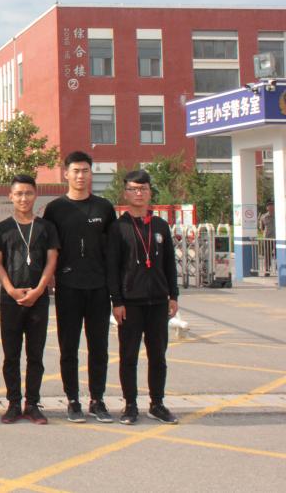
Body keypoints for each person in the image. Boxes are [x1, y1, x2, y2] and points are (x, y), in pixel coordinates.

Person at [43, 151, 117, 423]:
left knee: (99, 347)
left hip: (98, 287)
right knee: (69, 347)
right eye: (75, 171)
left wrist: (115, 290)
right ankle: (73, 400)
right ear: (66, 174)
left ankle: (97, 400)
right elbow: (49, 249)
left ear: (91, 173)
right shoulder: (55, 209)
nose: (80, 175)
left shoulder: (104, 208)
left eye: (85, 170)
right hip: (68, 287)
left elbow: (112, 252)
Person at [107, 169, 180, 425]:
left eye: (143, 189)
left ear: (150, 192)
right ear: (125, 193)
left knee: (158, 355)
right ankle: (130, 405)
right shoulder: (118, 227)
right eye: (133, 189)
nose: (138, 193)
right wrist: (117, 301)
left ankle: (157, 403)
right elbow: (112, 268)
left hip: (158, 301)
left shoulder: (160, 226)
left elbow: (170, 263)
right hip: (130, 303)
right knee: (129, 356)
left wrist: (173, 295)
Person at [0, 174, 58, 425]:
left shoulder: (46, 227)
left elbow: (51, 260)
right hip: (11, 299)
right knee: (11, 355)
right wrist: (10, 290)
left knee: (35, 355)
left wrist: (39, 290)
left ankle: (32, 404)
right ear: (10, 196)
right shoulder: (2, 228)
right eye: (18, 193)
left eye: (28, 193)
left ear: (35, 195)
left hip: (38, 298)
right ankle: (13, 403)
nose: (23, 198)